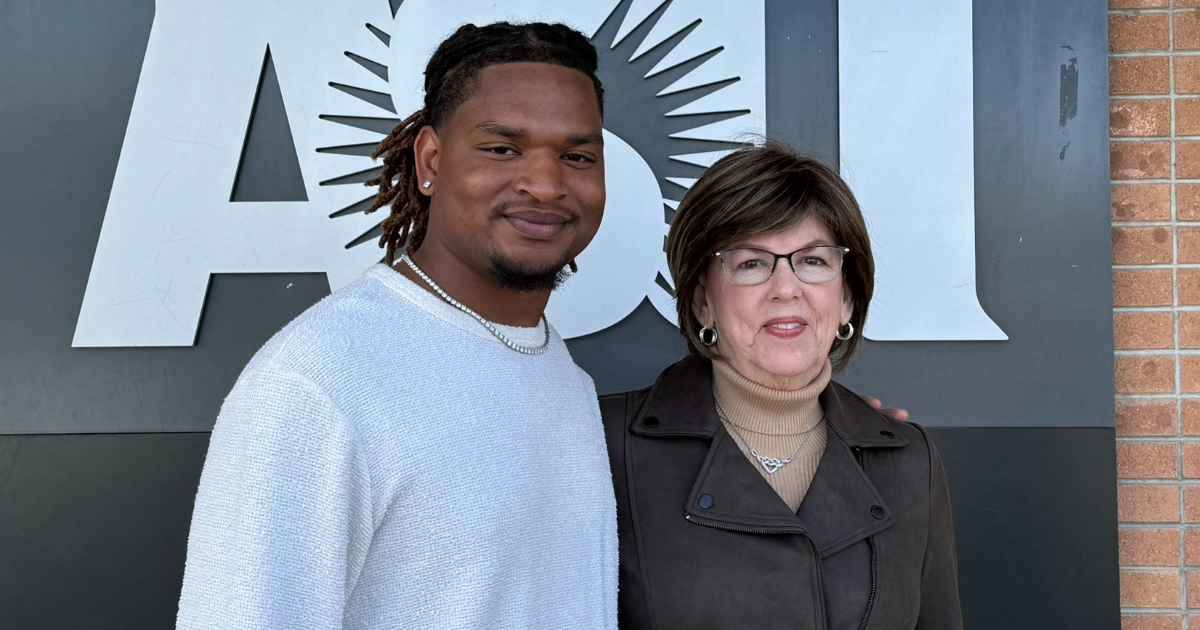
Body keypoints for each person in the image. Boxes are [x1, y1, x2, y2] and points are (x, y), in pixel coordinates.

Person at [176, 22, 617, 629]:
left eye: (576, 157)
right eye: (502, 149)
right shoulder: (316, 383)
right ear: (430, 160)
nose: (545, 184)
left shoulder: (556, 368)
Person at [599, 142, 962, 629]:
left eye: (812, 261)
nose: (786, 287)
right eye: (751, 263)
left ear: (847, 298)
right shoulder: (605, 447)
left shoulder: (909, 459)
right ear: (704, 301)